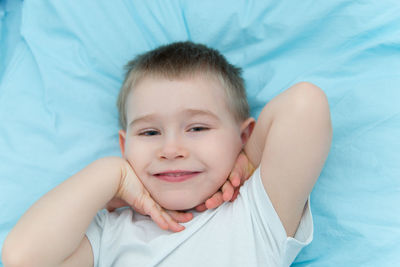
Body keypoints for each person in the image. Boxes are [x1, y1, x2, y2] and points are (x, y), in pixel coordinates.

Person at [2, 41, 332, 267]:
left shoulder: (255, 210)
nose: (171, 150)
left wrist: (249, 158)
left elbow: (306, 104)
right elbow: (22, 258)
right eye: (149, 132)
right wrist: (110, 175)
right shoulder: (111, 230)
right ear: (124, 145)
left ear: (243, 135)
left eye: (198, 128)